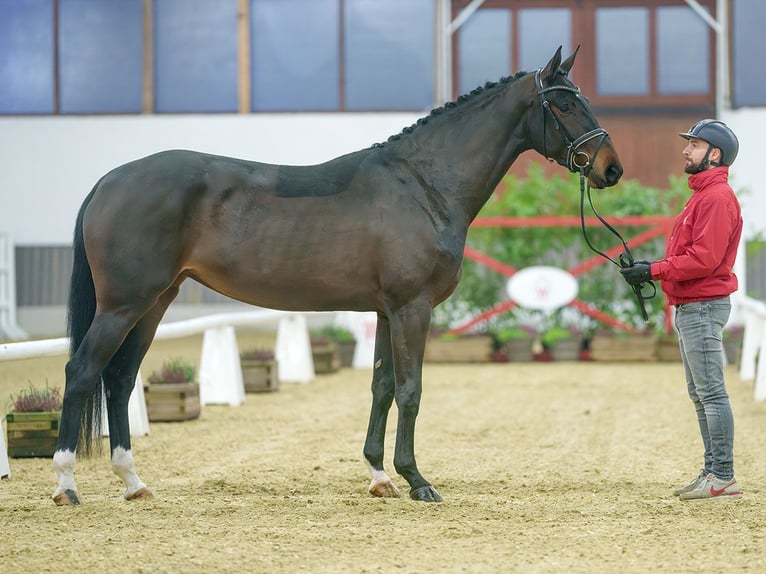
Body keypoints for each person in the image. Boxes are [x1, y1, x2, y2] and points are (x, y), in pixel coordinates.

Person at [620, 119, 743, 500]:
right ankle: (712, 470)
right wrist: (652, 269)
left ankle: (722, 474)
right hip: (692, 306)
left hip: (703, 306)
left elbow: (703, 260)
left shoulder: (716, 198)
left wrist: (653, 270)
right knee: (700, 392)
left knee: (711, 392)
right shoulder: (703, 196)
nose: (685, 151)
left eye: (693, 145)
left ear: (714, 154)